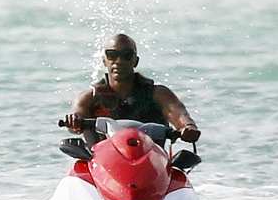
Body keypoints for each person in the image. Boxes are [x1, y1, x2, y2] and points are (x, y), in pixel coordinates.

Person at [63, 34, 201, 144]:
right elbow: (77, 116)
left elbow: (179, 115)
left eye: (126, 55)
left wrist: (188, 128)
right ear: (104, 61)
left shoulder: (158, 94)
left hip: (150, 162)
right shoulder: (89, 98)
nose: (119, 61)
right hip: (103, 165)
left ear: (135, 61)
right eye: (112, 55)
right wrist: (74, 122)